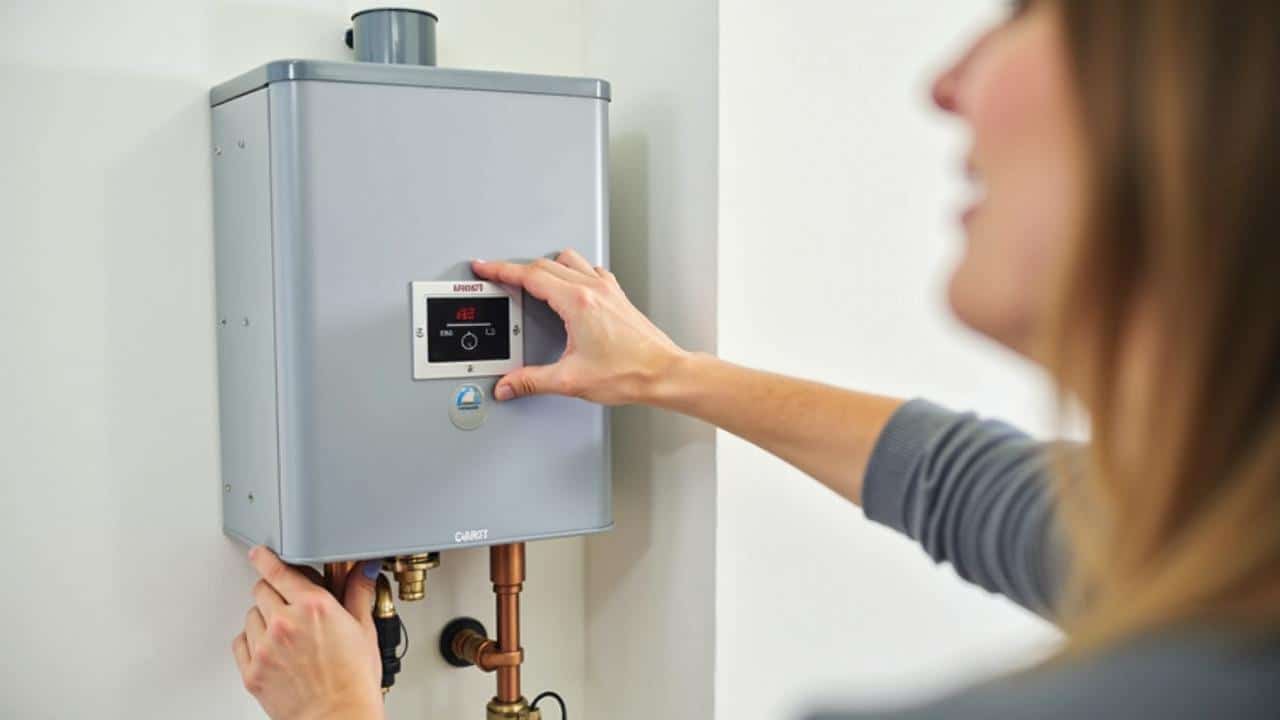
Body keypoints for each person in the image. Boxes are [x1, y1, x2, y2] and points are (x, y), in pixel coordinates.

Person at [230, 0, 1280, 717]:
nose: (944, 83)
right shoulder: (1215, 552)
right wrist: (662, 371)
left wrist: (335, 711)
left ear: (1206, 104)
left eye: (1023, 12)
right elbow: (962, 482)